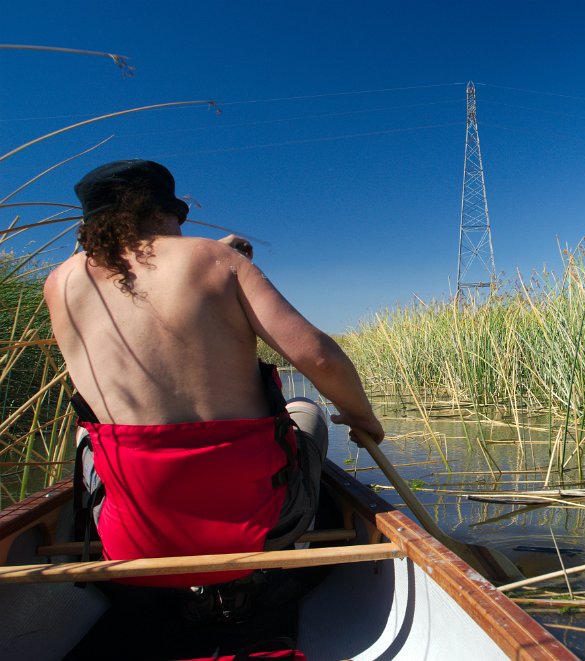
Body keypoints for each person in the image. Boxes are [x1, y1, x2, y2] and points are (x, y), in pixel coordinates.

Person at [44, 159, 384, 588]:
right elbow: (321, 359)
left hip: (131, 542)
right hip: (263, 527)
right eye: (177, 218)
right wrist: (363, 417)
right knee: (305, 410)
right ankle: (299, 563)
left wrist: (210, 253)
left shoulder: (59, 283)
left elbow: (134, 282)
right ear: (159, 213)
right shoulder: (214, 259)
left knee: (84, 436)